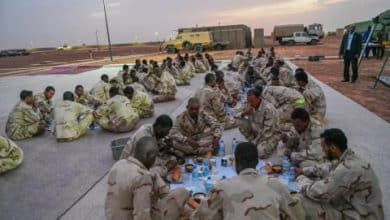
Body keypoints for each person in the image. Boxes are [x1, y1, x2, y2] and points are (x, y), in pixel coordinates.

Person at [191, 142, 305, 220]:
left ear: (236, 162)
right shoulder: (276, 184)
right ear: (256, 162)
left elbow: (199, 217)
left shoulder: (222, 187)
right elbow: (298, 216)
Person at [297, 128, 384, 219]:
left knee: (304, 202)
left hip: (363, 216)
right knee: (317, 180)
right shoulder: (349, 157)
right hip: (359, 206)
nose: (323, 150)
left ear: (333, 148)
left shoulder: (348, 168)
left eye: (324, 147)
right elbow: (327, 167)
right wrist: (303, 171)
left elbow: (319, 192)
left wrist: (301, 180)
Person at [105, 137, 189, 220]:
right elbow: (141, 216)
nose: (154, 161)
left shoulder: (119, 163)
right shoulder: (142, 178)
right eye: (154, 158)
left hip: (113, 216)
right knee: (182, 193)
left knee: (153, 174)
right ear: (147, 156)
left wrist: (164, 193)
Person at [238, 87, 281, 159]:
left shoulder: (268, 109)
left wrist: (254, 144)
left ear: (259, 98)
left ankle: (271, 146)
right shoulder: (249, 104)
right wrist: (244, 113)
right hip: (257, 133)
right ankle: (252, 141)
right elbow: (235, 115)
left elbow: (267, 132)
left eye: (252, 101)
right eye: (248, 101)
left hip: (269, 136)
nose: (250, 103)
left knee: (259, 152)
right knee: (240, 121)